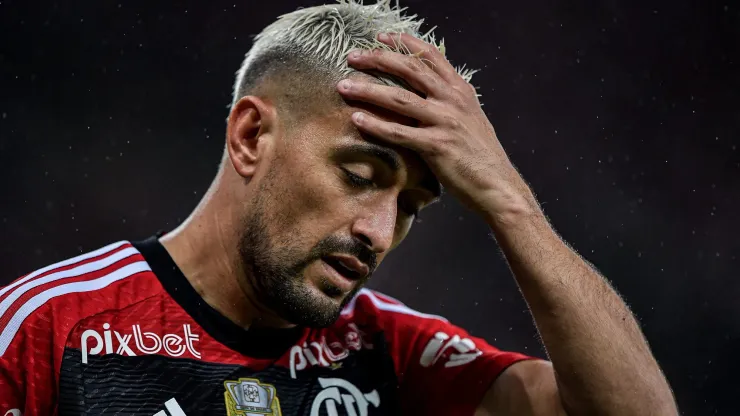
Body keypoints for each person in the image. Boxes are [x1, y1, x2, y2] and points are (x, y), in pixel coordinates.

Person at [0, 1, 678, 415]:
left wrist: (509, 203)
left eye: (411, 204)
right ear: (251, 136)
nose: (379, 233)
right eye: (359, 174)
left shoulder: (389, 351)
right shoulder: (47, 333)